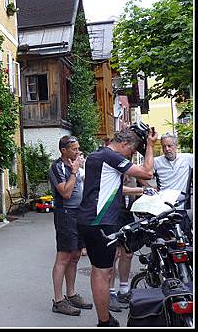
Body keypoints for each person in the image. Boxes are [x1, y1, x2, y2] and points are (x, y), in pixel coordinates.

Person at [77, 127, 158, 327]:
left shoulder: (98, 155)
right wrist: (151, 145)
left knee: (100, 270)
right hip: (100, 222)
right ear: (123, 145)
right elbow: (147, 172)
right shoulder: (110, 156)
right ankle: (104, 321)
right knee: (103, 272)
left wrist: (140, 190)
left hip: (91, 220)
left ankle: (104, 318)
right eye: (131, 152)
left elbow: (112, 188)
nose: (131, 156)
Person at [49, 135, 93, 316]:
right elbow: (65, 193)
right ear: (63, 150)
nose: (77, 152)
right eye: (74, 149)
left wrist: (78, 170)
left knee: (75, 255)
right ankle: (58, 301)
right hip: (66, 214)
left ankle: (71, 294)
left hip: (79, 214)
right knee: (63, 257)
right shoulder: (57, 167)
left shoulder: (75, 166)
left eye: (78, 148)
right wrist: (74, 171)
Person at [108, 174, 148, 311]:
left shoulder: (132, 173)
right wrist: (141, 190)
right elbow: (118, 189)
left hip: (127, 214)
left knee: (128, 253)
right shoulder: (111, 171)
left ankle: (124, 290)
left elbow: (138, 192)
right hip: (113, 213)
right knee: (114, 254)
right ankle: (110, 292)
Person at [153, 132, 193, 241]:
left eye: (169, 146)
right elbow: (142, 174)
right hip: (162, 208)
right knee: (163, 242)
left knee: (185, 241)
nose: (167, 149)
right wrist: (151, 188)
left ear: (176, 146)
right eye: (164, 146)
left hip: (180, 207)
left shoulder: (188, 159)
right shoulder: (156, 162)